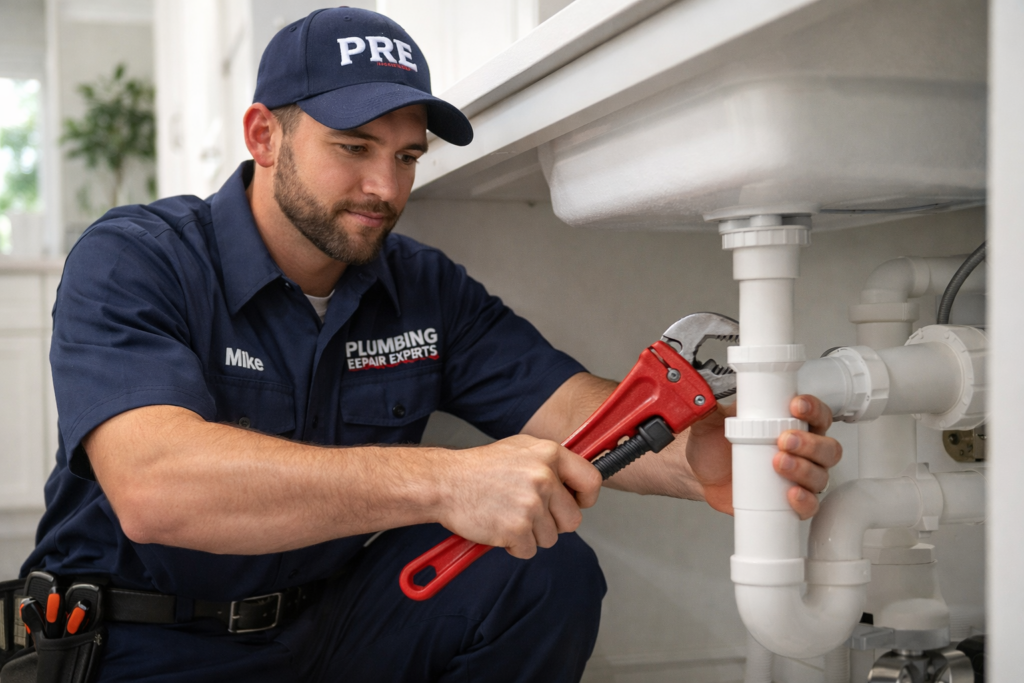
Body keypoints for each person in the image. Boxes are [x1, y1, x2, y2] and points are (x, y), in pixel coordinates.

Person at [21, 7, 842, 682]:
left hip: (328, 630)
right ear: (264, 136)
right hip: (140, 644)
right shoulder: (138, 258)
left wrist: (696, 456)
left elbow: (577, 414)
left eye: (407, 155)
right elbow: (156, 487)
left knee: (541, 573)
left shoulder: (422, 288)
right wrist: (445, 480)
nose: (386, 187)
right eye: (354, 148)